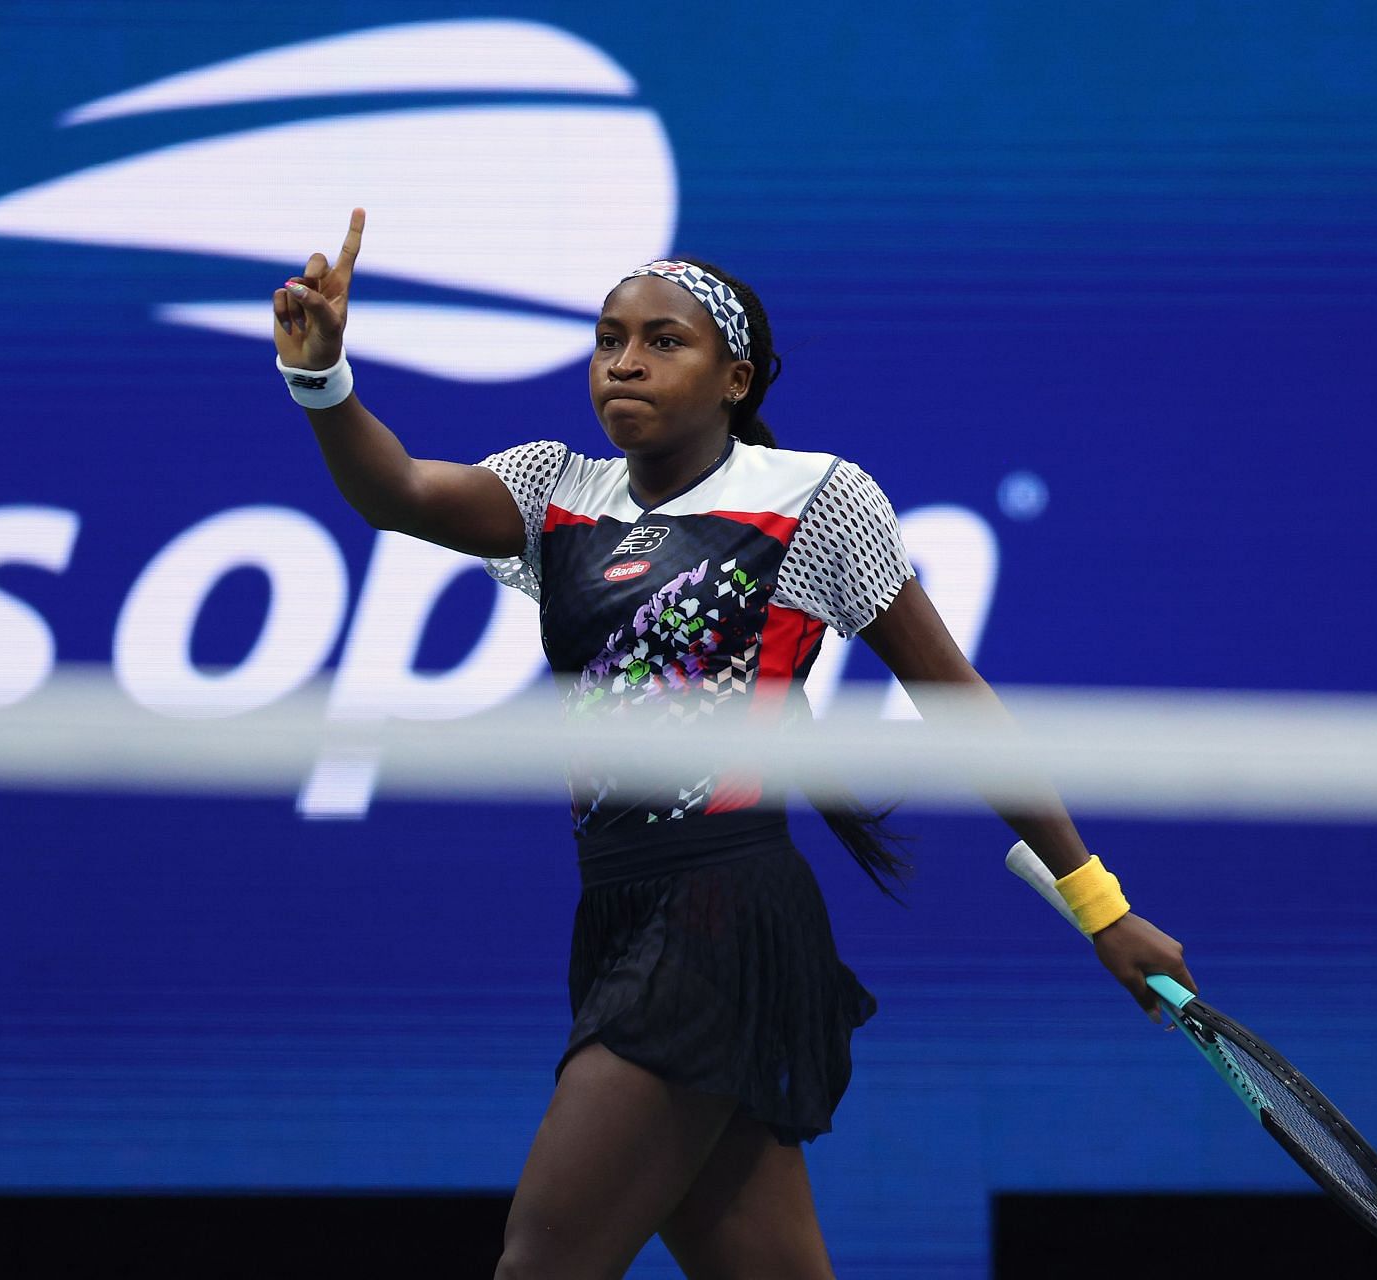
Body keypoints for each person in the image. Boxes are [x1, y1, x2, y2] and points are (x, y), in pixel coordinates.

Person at [272, 210, 1194, 1279]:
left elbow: (958, 699)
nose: (625, 361)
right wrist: (323, 379)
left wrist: (1099, 904)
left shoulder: (813, 500)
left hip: (720, 913)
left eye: (664, 340)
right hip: (614, 913)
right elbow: (401, 491)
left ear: (736, 377)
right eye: (609, 337)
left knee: (543, 1262)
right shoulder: (553, 489)